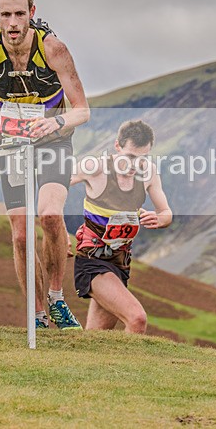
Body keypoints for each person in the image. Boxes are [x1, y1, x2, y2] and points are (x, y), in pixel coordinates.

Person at [0, 0, 90, 330]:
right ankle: (36, 314)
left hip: (53, 142)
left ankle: (56, 298)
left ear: (32, 12)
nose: (14, 23)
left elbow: (83, 109)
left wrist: (58, 122)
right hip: (13, 145)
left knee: (50, 216)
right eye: (6, 15)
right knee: (20, 234)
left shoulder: (53, 49)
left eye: (21, 13)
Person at [71, 120, 171, 333]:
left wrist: (161, 219)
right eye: (131, 157)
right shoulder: (96, 168)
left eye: (143, 158)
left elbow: (166, 213)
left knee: (98, 339)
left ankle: (86, 365)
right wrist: (57, 228)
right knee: (137, 319)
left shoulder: (149, 173)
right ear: (118, 146)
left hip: (120, 263)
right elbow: (52, 187)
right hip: (92, 260)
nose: (136, 165)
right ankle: (132, 367)